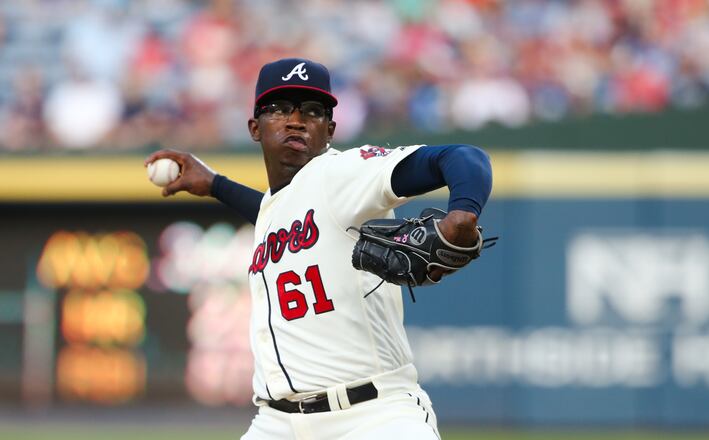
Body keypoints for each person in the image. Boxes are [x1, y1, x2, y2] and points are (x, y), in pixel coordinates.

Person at [145, 58, 493, 440]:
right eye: (279, 109)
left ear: (329, 130)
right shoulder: (280, 206)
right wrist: (215, 185)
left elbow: (464, 158)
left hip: (373, 418)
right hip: (276, 423)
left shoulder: (340, 173)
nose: (295, 119)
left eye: (311, 111)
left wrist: (461, 215)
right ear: (254, 128)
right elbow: (270, 212)